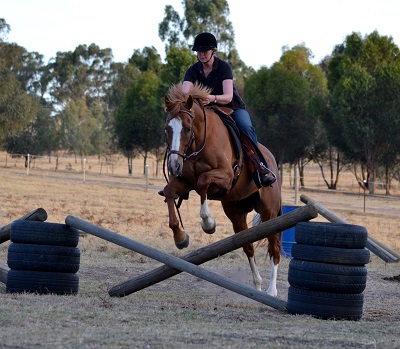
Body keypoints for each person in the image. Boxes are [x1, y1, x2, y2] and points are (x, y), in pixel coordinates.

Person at [182, 32, 276, 187]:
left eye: (204, 51)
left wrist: (211, 98)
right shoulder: (192, 71)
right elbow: (186, 94)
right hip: (207, 111)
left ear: (214, 51)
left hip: (231, 108)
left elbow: (228, 97)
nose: (201, 54)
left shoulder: (224, 67)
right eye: (198, 52)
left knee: (245, 127)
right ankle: (180, 169)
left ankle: (259, 167)